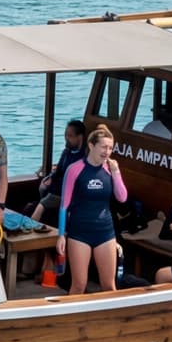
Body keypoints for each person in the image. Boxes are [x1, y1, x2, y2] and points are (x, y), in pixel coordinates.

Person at [57, 122, 127, 295]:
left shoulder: (110, 169)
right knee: (79, 285)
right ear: (91, 145)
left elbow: (122, 197)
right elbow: (64, 205)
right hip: (79, 233)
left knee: (109, 286)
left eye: (110, 148)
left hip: (105, 232)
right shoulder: (75, 169)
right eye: (103, 147)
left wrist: (116, 172)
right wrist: (61, 235)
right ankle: (70, 319)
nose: (107, 152)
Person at [30, 118, 86, 229]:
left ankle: (30, 228)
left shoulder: (83, 156)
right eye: (66, 135)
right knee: (43, 187)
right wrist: (50, 177)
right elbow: (59, 169)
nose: (66, 138)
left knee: (42, 205)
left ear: (79, 137)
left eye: (70, 136)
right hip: (58, 188)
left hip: (69, 192)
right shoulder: (67, 152)